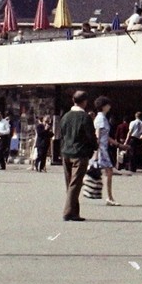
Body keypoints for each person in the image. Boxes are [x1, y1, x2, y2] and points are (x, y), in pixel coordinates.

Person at [56, 90, 95, 222]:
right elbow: (91, 137)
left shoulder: (65, 116)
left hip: (66, 152)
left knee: (70, 184)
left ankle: (74, 212)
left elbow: (61, 134)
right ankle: (68, 212)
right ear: (84, 102)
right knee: (76, 184)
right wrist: (93, 149)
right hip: (80, 153)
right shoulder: (85, 117)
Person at [93, 97, 120, 206]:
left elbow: (105, 135)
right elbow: (98, 134)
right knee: (108, 171)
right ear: (104, 106)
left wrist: (117, 144)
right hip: (101, 149)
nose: (109, 107)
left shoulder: (102, 117)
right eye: (108, 105)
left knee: (107, 171)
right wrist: (96, 151)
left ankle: (109, 196)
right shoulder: (101, 118)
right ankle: (109, 197)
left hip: (102, 148)